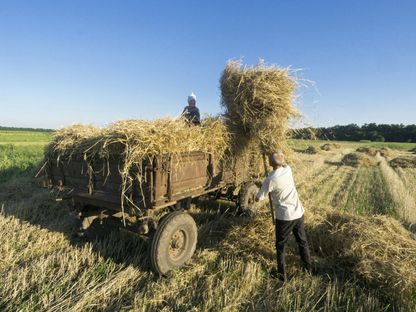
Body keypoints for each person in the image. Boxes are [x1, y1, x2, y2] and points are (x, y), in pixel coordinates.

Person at [255, 151, 311, 282]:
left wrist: (262, 189)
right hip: (298, 212)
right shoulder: (288, 170)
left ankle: (282, 275)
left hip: (285, 217)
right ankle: (308, 268)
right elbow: (282, 161)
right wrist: (274, 156)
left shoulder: (270, 179)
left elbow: (259, 197)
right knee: (302, 242)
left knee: (280, 246)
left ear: (270, 163)